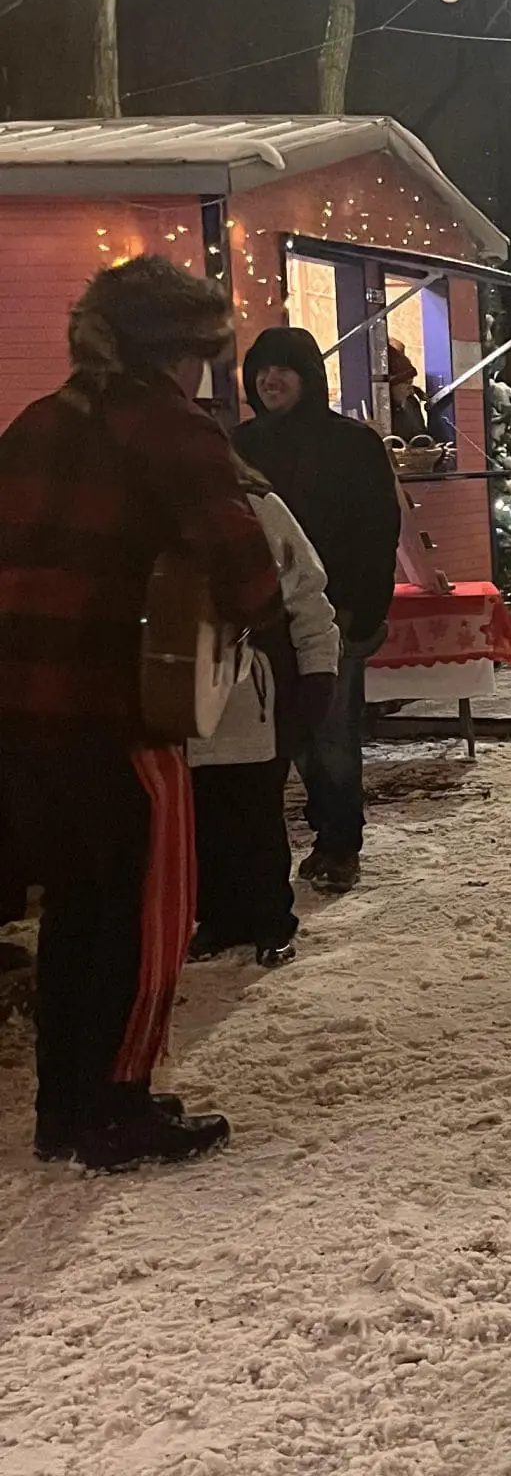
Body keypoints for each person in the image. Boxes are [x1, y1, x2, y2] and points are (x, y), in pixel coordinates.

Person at [0, 256, 284, 1168]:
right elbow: (249, 579)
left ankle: (64, 1108)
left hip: (22, 710)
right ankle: (118, 1104)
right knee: (139, 910)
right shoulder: (169, 430)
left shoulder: (36, 422)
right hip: (121, 704)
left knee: (73, 907)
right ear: (183, 352)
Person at [234, 325, 401, 894]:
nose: (270, 378)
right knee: (288, 739)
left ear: (309, 377)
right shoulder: (241, 446)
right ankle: (313, 832)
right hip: (262, 623)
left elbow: (378, 533)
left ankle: (339, 843)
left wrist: (359, 609)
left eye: (284, 368)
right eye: (261, 369)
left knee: (332, 737)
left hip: (335, 618)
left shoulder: (352, 445)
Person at [188, 468, 339, 969]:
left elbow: (305, 594)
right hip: (184, 691)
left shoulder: (255, 507)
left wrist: (318, 670)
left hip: (252, 689)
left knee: (255, 811)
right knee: (204, 814)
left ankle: (271, 919)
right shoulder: (147, 507)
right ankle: (219, 917)